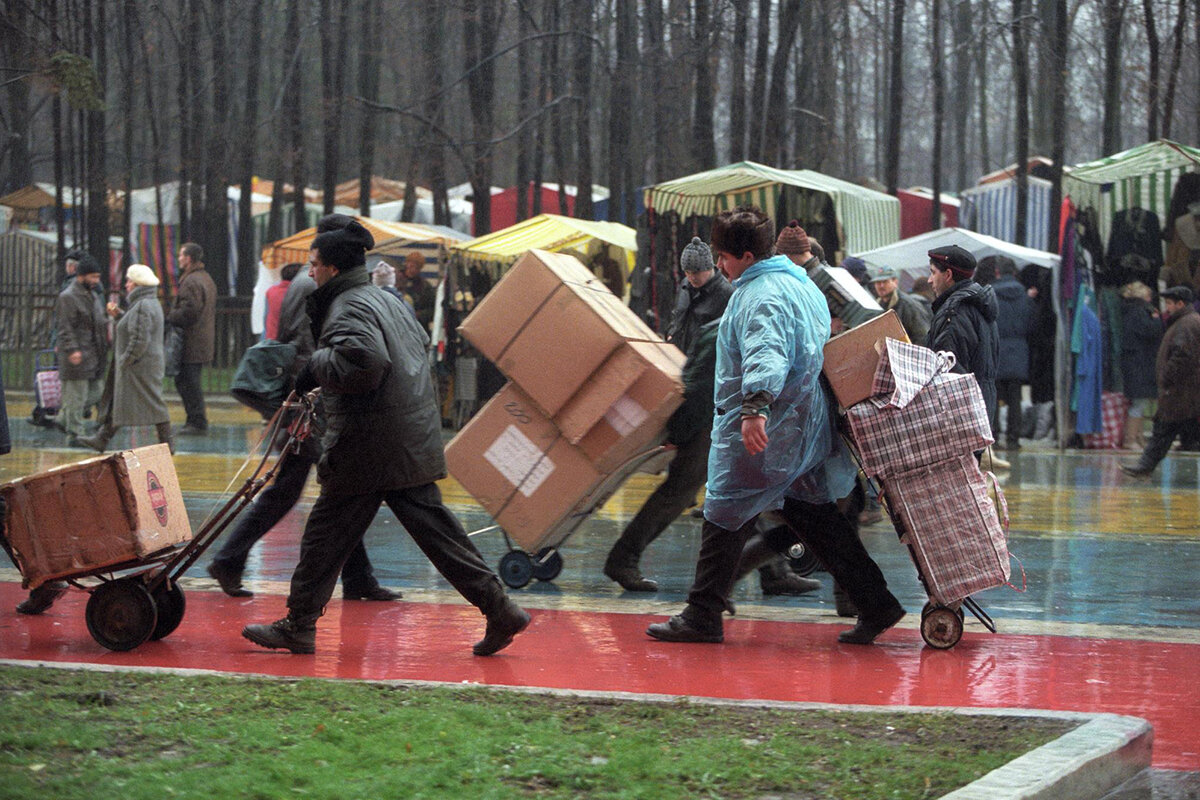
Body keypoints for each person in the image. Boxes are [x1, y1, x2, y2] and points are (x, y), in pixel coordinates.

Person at [241, 220, 529, 656]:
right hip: (403, 437)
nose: (310, 272)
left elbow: (367, 365)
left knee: (323, 535)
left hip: (368, 445)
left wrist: (317, 364)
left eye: (315, 264)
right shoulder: (383, 299)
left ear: (333, 269)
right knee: (439, 534)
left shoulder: (348, 306)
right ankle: (501, 609)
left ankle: (299, 625)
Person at [646, 206, 904, 647]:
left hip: (769, 430)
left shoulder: (760, 296)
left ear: (746, 255)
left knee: (724, 512)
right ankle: (876, 603)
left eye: (724, 257)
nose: (720, 265)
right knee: (818, 518)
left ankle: (702, 613)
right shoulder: (800, 285)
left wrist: (754, 409)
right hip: (804, 428)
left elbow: (767, 353)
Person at [208, 216, 401, 603]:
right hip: (311, 404)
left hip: (307, 399)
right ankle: (231, 558)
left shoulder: (306, 281)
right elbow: (313, 346)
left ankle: (356, 575)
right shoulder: (316, 284)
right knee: (323, 490)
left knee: (327, 489)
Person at [76, 265, 174, 454]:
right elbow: (136, 326)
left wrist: (126, 359)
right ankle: (101, 438)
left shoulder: (142, 305)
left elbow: (139, 338)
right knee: (123, 401)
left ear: (138, 285)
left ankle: (167, 444)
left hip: (139, 366)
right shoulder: (147, 302)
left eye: (129, 281)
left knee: (153, 403)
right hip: (144, 364)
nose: (126, 285)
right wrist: (121, 315)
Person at [926, 244, 1001, 458]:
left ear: (948, 275)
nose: (929, 280)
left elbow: (948, 372)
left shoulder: (955, 313)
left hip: (958, 420)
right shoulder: (980, 306)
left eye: (933, 273)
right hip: (980, 409)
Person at [1120, 286, 1200, 477]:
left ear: (1181, 304)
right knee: (1167, 433)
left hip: (1181, 393)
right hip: (1184, 395)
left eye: (1170, 303)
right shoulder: (1184, 322)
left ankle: (1145, 466)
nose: (1166, 308)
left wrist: (1166, 376)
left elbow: (1183, 356)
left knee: (1164, 430)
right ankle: (1145, 467)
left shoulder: (1187, 324)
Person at [54, 251, 108, 447]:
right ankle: (74, 434)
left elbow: (97, 323)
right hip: (78, 354)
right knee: (77, 396)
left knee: (96, 393)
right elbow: (64, 327)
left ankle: (63, 418)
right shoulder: (68, 297)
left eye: (97, 276)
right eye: (93, 276)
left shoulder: (92, 295)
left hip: (94, 354)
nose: (96, 280)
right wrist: (71, 350)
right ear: (81, 275)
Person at [167, 242, 217, 436]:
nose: (179, 259)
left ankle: (196, 420)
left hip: (192, 341)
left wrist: (171, 316)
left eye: (181, 255)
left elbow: (190, 310)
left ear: (188, 259)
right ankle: (196, 419)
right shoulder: (205, 278)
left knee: (188, 382)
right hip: (202, 339)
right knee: (190, 381)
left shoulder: (191, 281)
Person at [986, 256, 1035, 450]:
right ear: (1014, 273)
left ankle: (995, 436)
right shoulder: (1025, 296)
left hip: (995, 350)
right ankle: (1014, 439)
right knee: (1015, 398)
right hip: (1018, 351)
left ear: (997, 272)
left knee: (994, 395)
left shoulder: (989, 294)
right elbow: (1032, 324)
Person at [665, 237, 733, 361]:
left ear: (708, 267)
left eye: (696, 273)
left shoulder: (726, 293)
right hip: (676, 358)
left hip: (703, 366)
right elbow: (677, 314)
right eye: (687, 272)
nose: (691, 277)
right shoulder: (685, 285)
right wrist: (671, 333)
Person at [1118, 281, 1163, 450]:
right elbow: (1150, 331)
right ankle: (1131, 439)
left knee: (1140, 402)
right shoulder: (1141, 312)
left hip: (1135, 363)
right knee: (1139, 403)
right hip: (1140, 364)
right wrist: (1157, 319)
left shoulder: (1130, 311)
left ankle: (1137, 436)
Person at [867, 264, 932, 346]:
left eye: (885, 282)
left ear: (895, 282)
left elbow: (922, 335)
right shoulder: (876, 306)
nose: (881, 286)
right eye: (878, 283)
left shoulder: (908, 305)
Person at [397, 251, 436, 334]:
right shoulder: (396, 280)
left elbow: (432, 309)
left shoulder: (425, 286)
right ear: (406, 263)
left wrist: (419, 315)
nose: (413, 270)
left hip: (418, 328)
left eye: (417, 268)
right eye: (411, 266)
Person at [265, 263, 302, 340]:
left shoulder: (271, 291)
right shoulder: (298, 292)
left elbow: (265, 316)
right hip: (291, 341)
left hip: (271, 338)